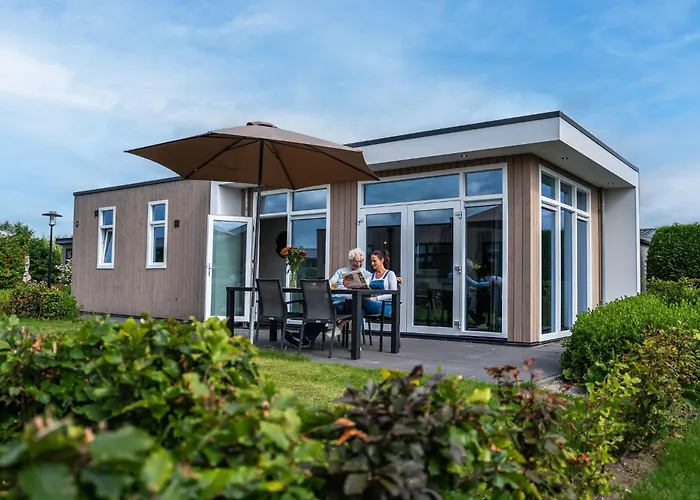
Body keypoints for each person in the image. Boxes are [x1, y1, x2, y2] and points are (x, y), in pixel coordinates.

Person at [362, 249, 398, 318]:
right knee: (359, 311)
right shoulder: (371, 276)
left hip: (385, 305)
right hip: (371, 304)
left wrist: (377, 298)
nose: (372, 264)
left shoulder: (390, 274)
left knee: (357, 303)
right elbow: (363, 285)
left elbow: (392, 294)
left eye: (374, 261)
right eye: (371, 261)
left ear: (382, 260)